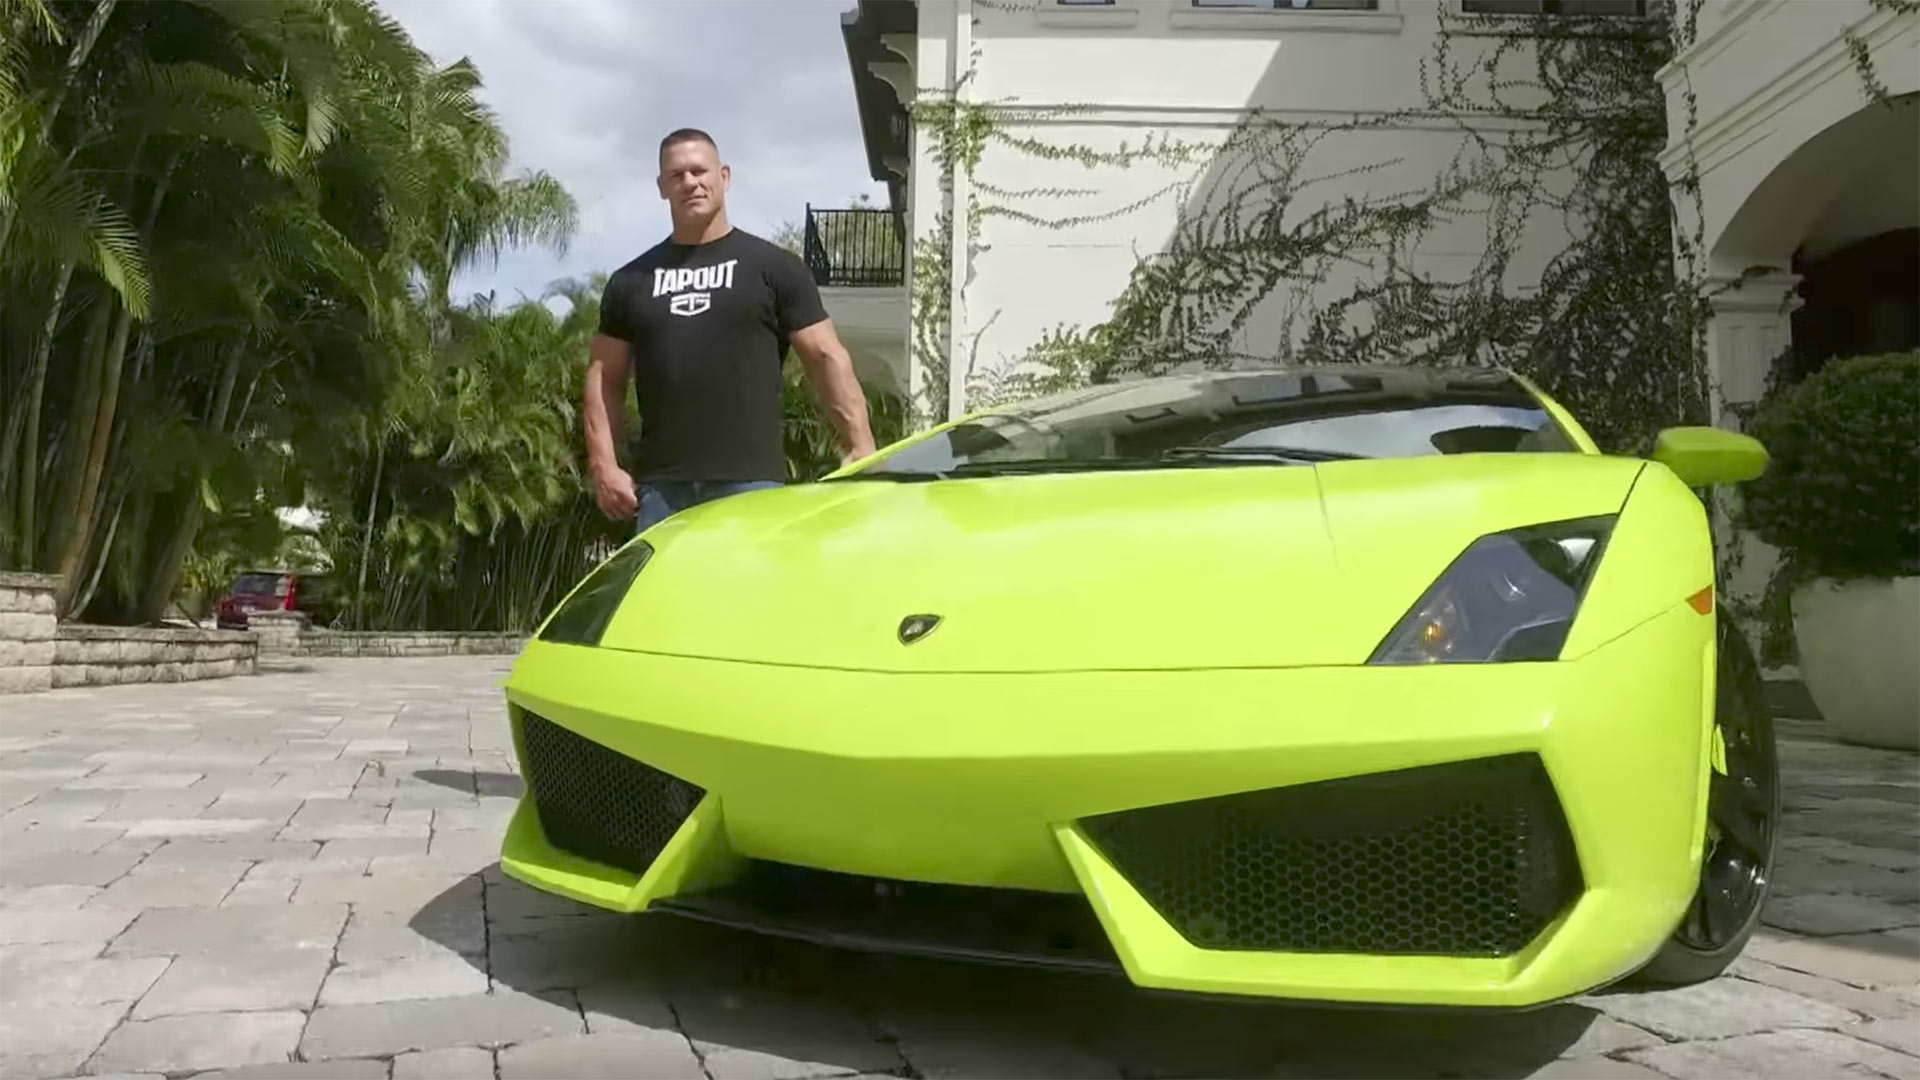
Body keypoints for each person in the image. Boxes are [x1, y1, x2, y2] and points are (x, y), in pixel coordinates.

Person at [584, 127, 876, 532]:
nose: (690, 182)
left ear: (724, 177)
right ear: (662, 187)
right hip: (663, 492)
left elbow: (825, 356)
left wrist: (862, 446)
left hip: (752, 485)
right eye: (677, 175)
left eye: (699, 171)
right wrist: (604, 466)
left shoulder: (775, 267)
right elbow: (604, 377)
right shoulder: (631, 281)